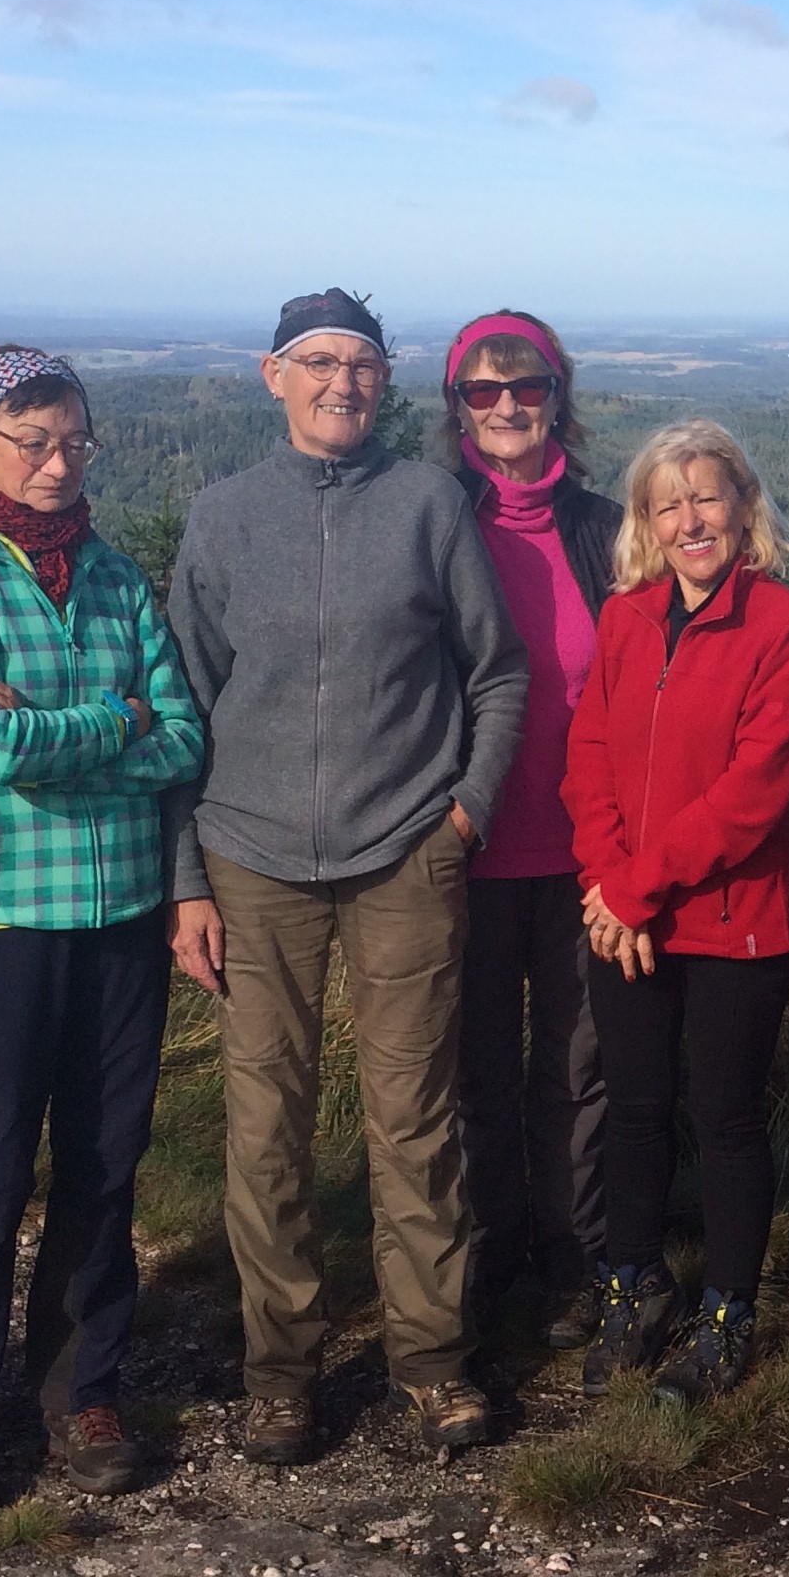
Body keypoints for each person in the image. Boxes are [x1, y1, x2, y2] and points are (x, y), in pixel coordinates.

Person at [166, 290, 529, 1463]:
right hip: (251, 854)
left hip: (405, 854)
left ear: (385, 384)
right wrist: (186, 878)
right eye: (317, 363)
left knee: (413, 1119)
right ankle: (282, 1371)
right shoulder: (223, 518)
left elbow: (498, 673)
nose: (341, 384)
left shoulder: (429, 504)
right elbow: (181, 708)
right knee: (266, 1125)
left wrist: (464, 815)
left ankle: (430, 1361)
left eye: (361, 366)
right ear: (273, 376)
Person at [0, 348, 207, 1522]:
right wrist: (111, 722)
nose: (62, 464)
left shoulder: (116, 579)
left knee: (106, 1171)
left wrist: (88, 725)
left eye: (77, 441)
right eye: (36, 444)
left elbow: (181, 740)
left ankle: (82, 1392)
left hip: (117, 918)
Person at [562, 421, 789, 1403]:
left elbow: (753, 797)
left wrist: (629, 889)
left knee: (723, 1121)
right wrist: (606, 886)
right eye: (666, 504)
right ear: (645, 524)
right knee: (633, 1111)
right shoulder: (626, 618)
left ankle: (727, 1310)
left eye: (706, 497)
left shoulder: (788, 629)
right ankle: (636, 1287)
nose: (689, 519)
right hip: (626, 922)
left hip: (735, 924)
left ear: (744, 506)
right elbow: (586, 758)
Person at [434, 311, 622, 1350]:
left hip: (586, 851)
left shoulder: (602, 529)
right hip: (462, 840)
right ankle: (484, 1246)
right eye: (483, 390)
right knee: (472, 1064)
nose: (508, 407)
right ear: (457, 405)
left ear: (559, 396)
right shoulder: (431, 517)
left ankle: (573, 1248)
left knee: (577, 1061)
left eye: (529, 386)